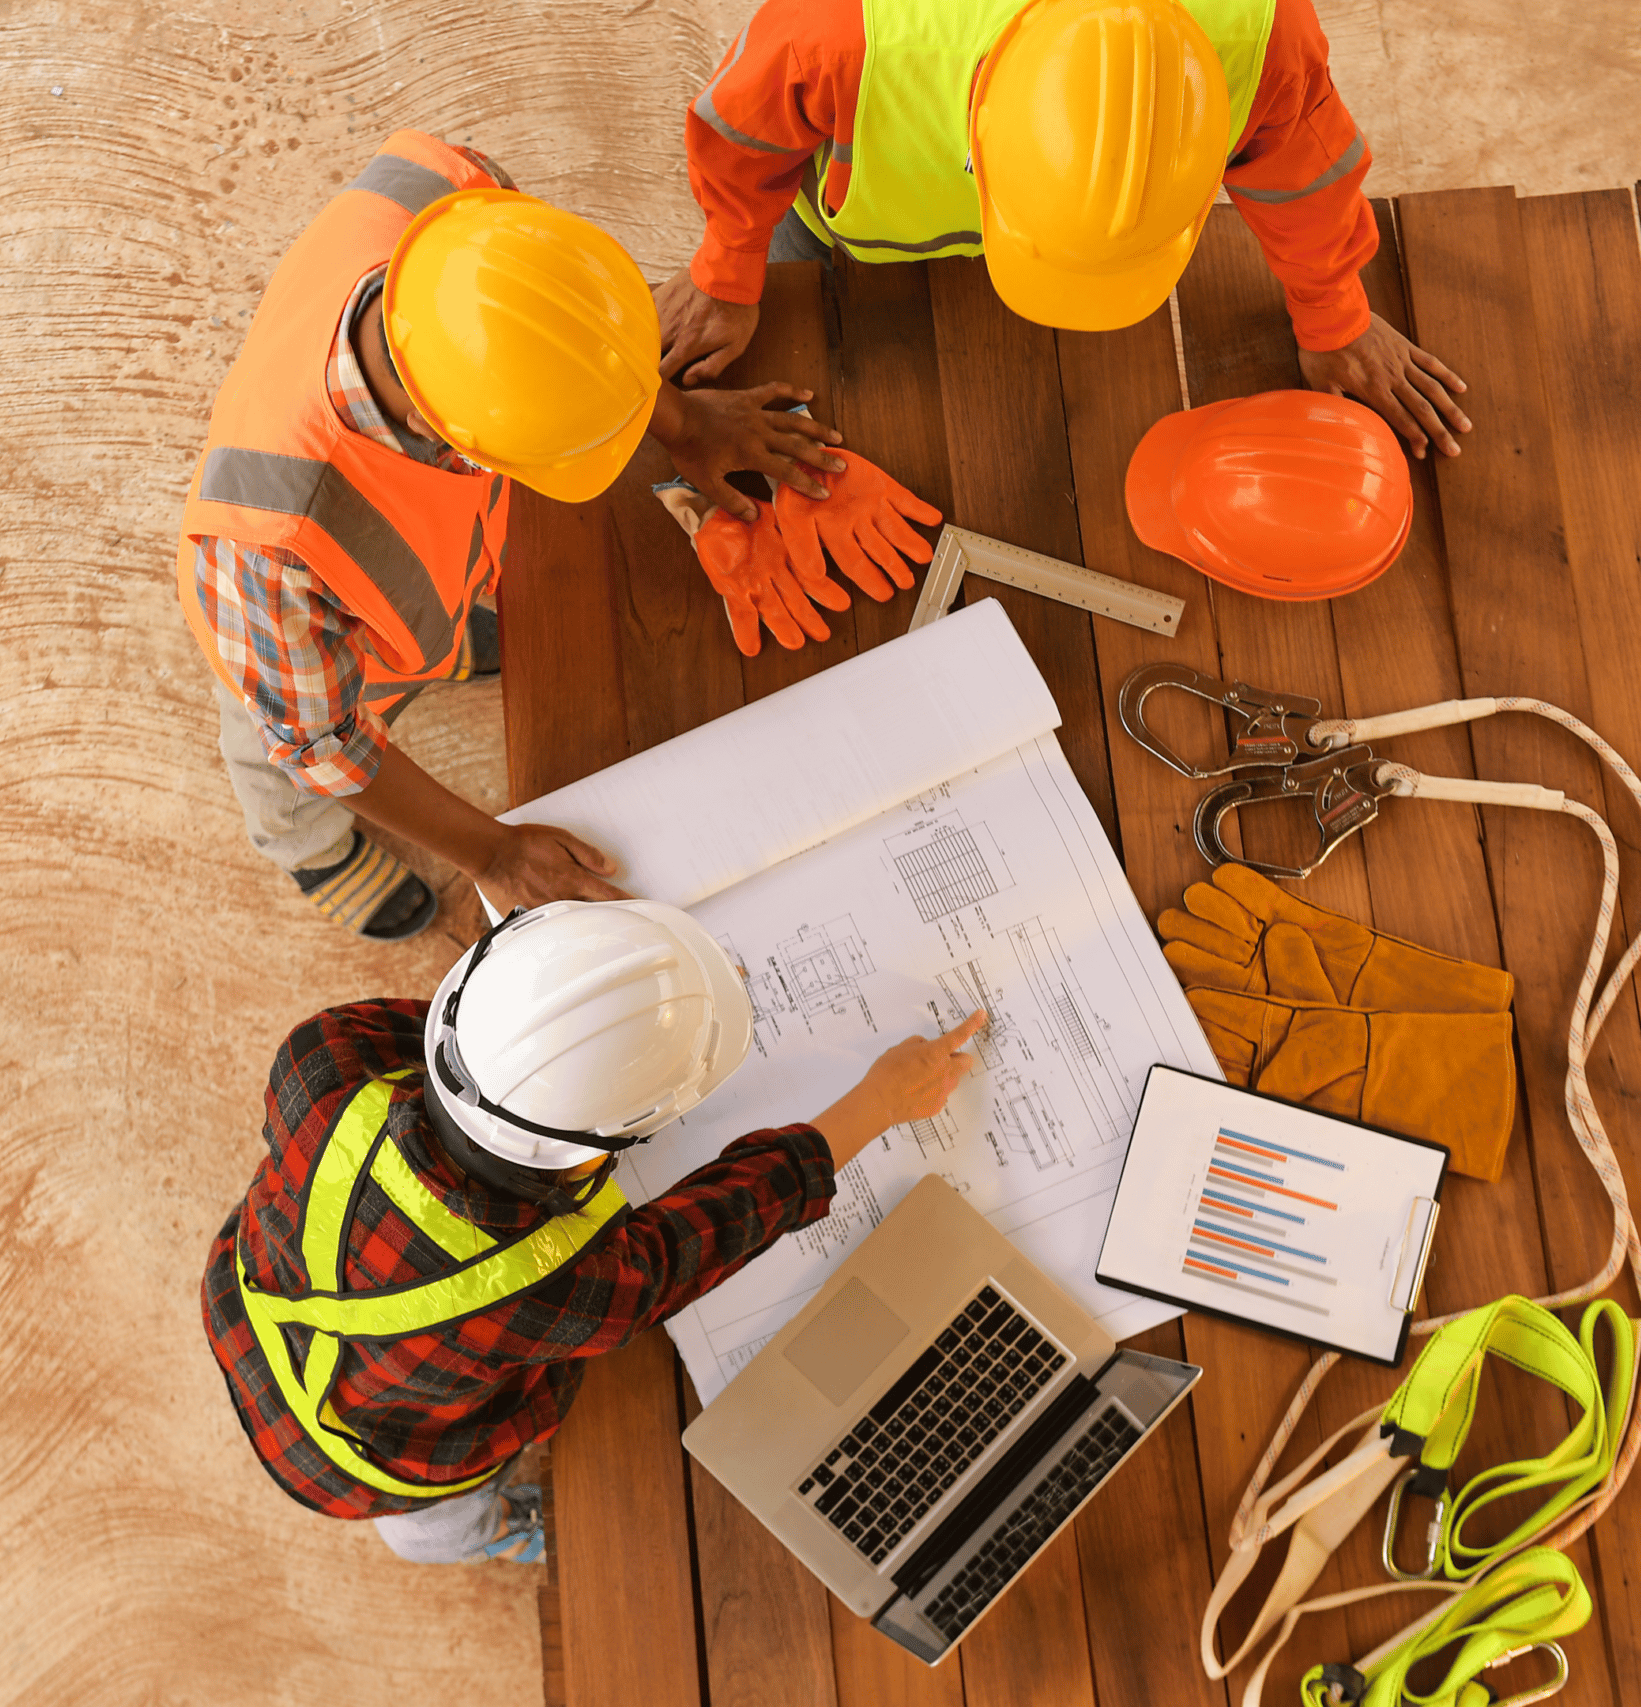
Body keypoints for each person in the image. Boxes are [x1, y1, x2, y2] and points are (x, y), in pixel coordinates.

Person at [183, 131, 848, 943]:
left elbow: (557, 334)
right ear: (452, 439)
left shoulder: (451, 192)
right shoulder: (268, 555)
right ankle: (307, 848)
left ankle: (447, 643)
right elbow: (324, 743)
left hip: (423, 586)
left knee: (438, 618)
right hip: (305, 662)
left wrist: (677, 417)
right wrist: (489, 851)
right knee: (282, 771)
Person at [201, 898, 990, 1563]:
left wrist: (631, 1031)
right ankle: (491, 1534)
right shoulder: (560, 1289)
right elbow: (728, 1217)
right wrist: (879, 1102)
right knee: (429, 1531)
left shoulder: (323, 1061)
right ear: (602, 1148)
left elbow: (483, 1051)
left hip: (250, 1318)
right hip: (376, 1465)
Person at [654, 0, 1475, 460]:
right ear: (979, 137)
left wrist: (1334, 314)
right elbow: (740, 131)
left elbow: (1308, 169)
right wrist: (729, 264)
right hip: (837, 232)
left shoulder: (1263, 35)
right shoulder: (840, 33)